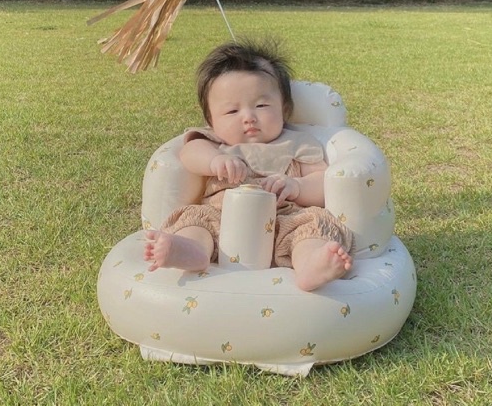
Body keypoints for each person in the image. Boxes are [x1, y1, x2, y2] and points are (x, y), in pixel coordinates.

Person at [144, 39, 354, 291]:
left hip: (283, 217)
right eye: (232, 111)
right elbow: (189, 153)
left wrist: (296, 186)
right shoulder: (213, 141)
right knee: (194, 219)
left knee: (312, 224)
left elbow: (321, 181)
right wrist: (214, 161)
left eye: (262, 105)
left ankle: (311, 264)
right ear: (211, 118)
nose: (249, 117)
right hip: (220, 214)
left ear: (285, 109)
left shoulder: (298, 142)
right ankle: (191, 250)